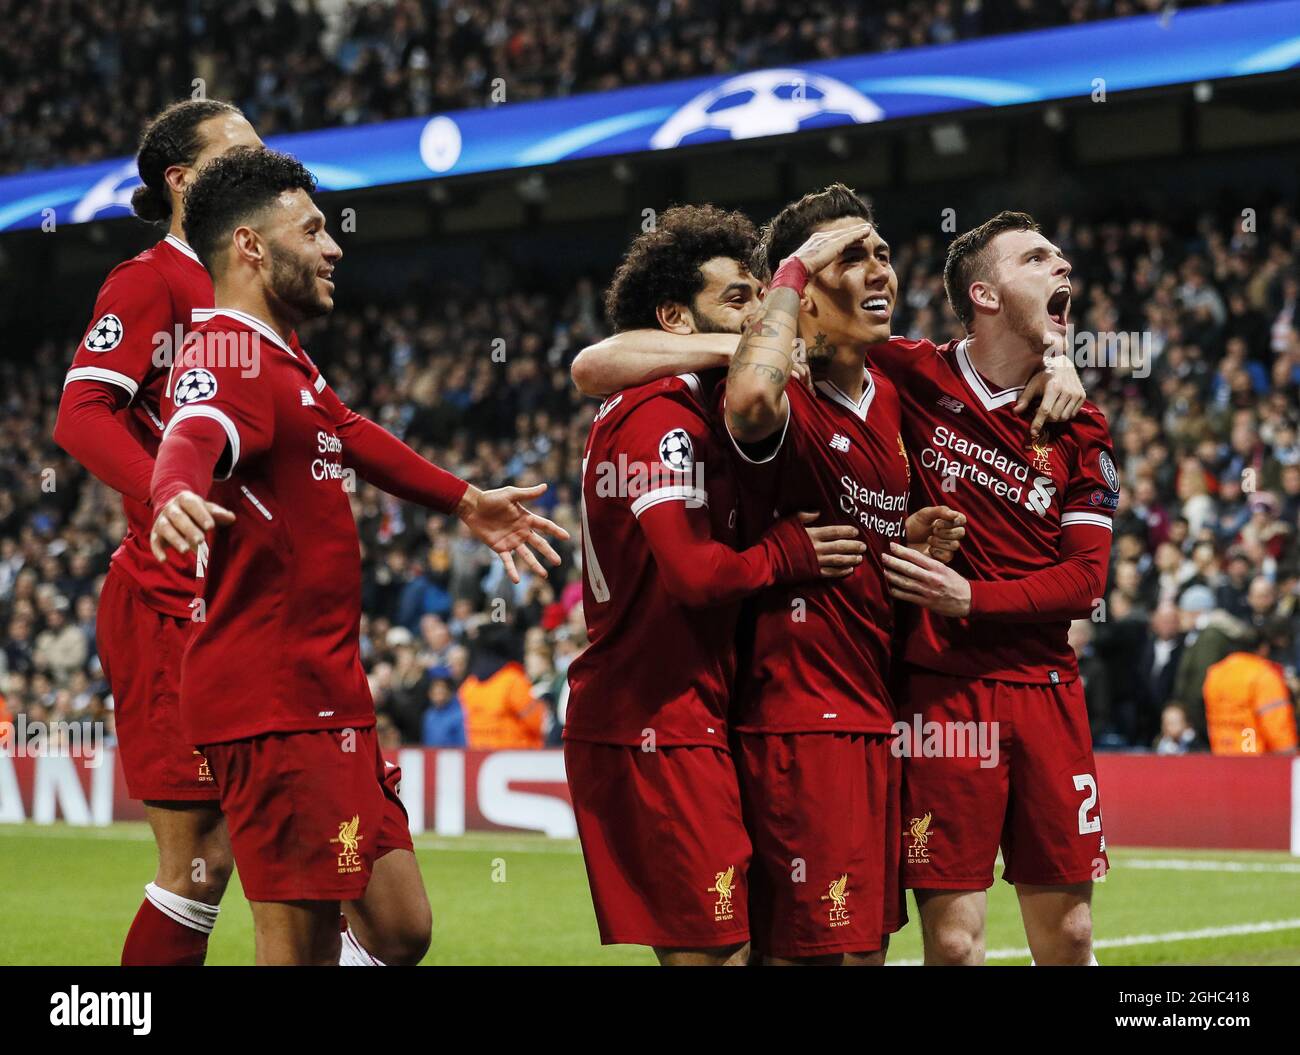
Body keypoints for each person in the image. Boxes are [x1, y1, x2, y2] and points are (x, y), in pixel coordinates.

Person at [148, 146, 568, 965]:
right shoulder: (223, 356)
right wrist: (173, 494)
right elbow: (192, 433)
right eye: (312, 229)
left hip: (331, 692)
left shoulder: (288, 360)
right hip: (271, 698)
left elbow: (351, 434)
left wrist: (465, 499)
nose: (335, 244)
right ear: (251, 247)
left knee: (400, 926)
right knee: (297, 940)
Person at [564, 204, 898, 966]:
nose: (758, 314)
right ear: (676, 318)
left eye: (761, 294)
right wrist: (786, 553)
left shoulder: (692, 406)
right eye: (736, 299)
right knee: (716, 956)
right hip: (650, 717)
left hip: (696, 712)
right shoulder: (661, 417)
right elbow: (691, 572)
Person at [52, 99, 263, 967]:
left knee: (323, 854)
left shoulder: (248, 293)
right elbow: (80, 412)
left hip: (247, 597)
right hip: (170, 601)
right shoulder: (151, 281)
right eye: (240, 150)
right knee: (200, 866)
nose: (263, 160)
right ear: (183, 179)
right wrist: (163, 490)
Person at [874, 211, 1116, 966]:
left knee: (1071, 936)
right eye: (1037, 257)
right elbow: (805, 347)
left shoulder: (1082, 425)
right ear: (983, 292)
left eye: (1061, 256)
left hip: (1046, 688)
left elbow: (1085, 580)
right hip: (943, 692)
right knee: (952, 942)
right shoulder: (911, 372)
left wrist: (970, 599)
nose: (1063, 265)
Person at [1202, 622, 1299, 755]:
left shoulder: (1215, 673)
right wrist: (1289, 756)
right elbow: (1276, 723)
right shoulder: (1264, 675)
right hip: (1255, 758)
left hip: (1222, 753)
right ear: (1263, 648)